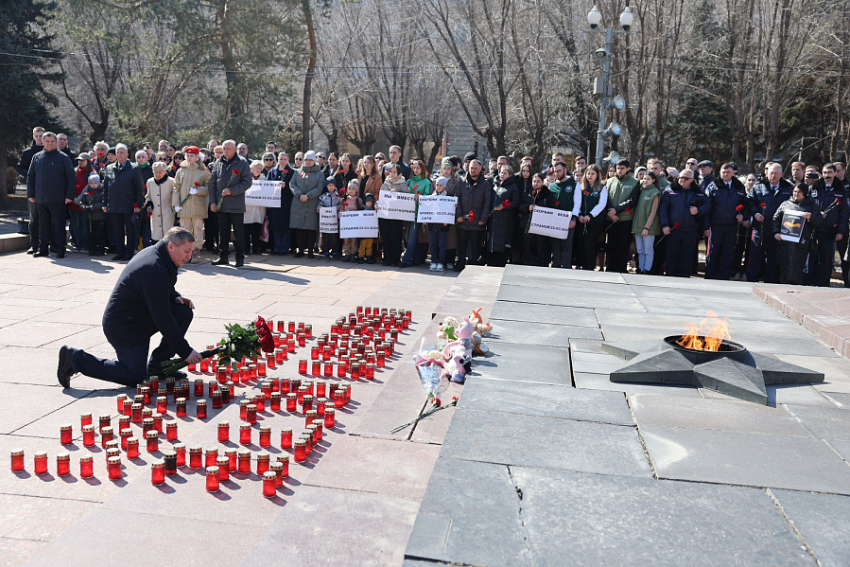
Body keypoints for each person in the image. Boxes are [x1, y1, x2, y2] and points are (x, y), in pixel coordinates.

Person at [57, 227, 203, 388]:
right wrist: (185, 351)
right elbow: (163, 318)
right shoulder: (154, 267)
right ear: (171, 247)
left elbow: (158, 287)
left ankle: (158, 366)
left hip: (138, 317)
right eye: (187, 251)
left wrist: (174, 296)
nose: (189, 257)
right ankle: (75, 359)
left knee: (183, 312)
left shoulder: (159, 255)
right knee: (134, 376)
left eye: (191, 251)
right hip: (125, 327)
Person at [26, 132, 76, 258]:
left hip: (58, 199)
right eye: (47, 141)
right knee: (43, 225)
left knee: (59, 226)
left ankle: (60, 249)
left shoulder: (63, 158)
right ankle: (43, 249)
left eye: (52, 141)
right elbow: (31, 177)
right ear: (43, 142)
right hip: (41, 198)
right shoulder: (37, 157)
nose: (50, 143)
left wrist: (69, 196)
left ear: (56, 142)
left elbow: (71, 178)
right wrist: (31, 194)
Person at [747, 162, 793, 283]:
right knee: (756, 255)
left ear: (781, 174)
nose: (773, 176)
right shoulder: (758, 187)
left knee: (773, 257)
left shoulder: (788, 188)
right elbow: (750, 202)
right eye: (771, 173)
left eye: (776, 174)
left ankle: (770, 281)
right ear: (767, 173)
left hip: (777, 230)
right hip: (760, 228)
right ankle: (752, 279)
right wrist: (756, 213)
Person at [209, 140, 253, 267]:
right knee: (223, 232)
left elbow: (247, 182)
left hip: (236, 204)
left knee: (239, 232)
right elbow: (212, 184)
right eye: (224, 148)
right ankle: (223, 257)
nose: (226, 151)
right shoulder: (218, 162)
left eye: (228, 148)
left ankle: (240, 258)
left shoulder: (242, 162)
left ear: (235, 150)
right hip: (221, 204)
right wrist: (213, 202)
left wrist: (232, 191)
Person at [703, 163, 748, 280]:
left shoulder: (739, 187)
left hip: (732, 226)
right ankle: (710, 275)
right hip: (716, 225)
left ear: (733, 173)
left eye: (728, 172)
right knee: (713, 251)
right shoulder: (713, 187)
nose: (725, 174)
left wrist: (742, 215)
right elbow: (707, 208)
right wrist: (706, 226)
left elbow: (745, 205)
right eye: (723, 172)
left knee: (728, 252)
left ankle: (724, 276)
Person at [659, 169, 707, 277]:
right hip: (673, 229)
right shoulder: (670, 190)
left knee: (687, 256)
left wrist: (698, 210)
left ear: (692, 180)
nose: (682, 180)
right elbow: (663, 209)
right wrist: (665, 225)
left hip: (690, 229)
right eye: (680, 177)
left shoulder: (699, 191)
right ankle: (670, 276)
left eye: (686, 178)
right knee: (671, 255)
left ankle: (684, 277)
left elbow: (707, 206)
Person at [809, 164, 850, 287]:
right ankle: (810, 282)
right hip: (814, 229)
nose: (827, 175)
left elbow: (844, 213)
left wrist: (840, 232)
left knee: (826, 260)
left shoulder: (841, 189)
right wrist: (817, 214)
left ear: (835, 173)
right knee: (812, 259)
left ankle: (824, 283)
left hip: (830, 231)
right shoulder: (814, 188)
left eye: (830, 173)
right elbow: (808, 206)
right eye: (825, 172)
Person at [102, 144, 145, 261]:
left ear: (127, 154)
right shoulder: (109, 168)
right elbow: (106, 187)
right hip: (114, 205)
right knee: (117, 231)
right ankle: (120, 252)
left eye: (122, 152)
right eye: (117, 152)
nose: (119, 154)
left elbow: (139, 188)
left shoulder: (134, 168)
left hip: (129, 205)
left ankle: (129, 253)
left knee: (130, 231)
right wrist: (104, 203)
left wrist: (138, 204)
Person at [772, 183, 819, 285]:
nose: (796, 194)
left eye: (799, 192)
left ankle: (798, 286)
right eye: (795, 191)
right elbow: (775, 219)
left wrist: (811, 217)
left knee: (798, 267)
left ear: (805, 193)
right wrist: (776, 232)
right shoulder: (786, 204)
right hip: (785, 242)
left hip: (802, 242)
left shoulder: (812, 204)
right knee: (785, 265)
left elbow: (820, 221)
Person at [172, 146, 210, 262]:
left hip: (198, 206)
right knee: (185, 230)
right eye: (187, 155)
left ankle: (195, 252)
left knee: (197, 229)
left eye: (192, 156)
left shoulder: (204, 171)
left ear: (197, 157)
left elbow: (209, 187)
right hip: (184, 206)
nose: (189, 158)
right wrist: (176, 203)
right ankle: (186, 252)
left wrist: (199, 190)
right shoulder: (181, 170)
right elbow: (176, 187)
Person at [455, 159, 492, 271]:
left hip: (477, 222)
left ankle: (473, 266)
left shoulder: (485, 184)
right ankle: (460, 263)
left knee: (475, 246)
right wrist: (459, 215)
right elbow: (457, 199)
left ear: (480, 169)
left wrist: (483, 218)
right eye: (471, 168)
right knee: (462, 245)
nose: (473, 170)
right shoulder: (461, 182)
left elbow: (487, 202)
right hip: (463, 221)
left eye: (475, 168)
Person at [605, 159, 640, 273]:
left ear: (627, 169)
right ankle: (611, 267)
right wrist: (611, 211)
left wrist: (617, 210)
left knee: (623, 245)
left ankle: (621, 268)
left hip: (625, 219)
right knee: (611, 245)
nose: (619, 170)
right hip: (611, 219)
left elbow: (632, 200)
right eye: (618, 168)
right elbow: (605, 198)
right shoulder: (610, 181)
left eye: (622, 168)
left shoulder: (634, 182)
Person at [289, 150, 324, 258]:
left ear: (314, 161)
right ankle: (300, 250)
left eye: (310, 160)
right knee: (299, 228)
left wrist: (309, 196)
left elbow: (320, 187)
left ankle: (310, 250)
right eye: (306, 160)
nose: (308, 162)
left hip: (312, 203)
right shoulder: (297, 172)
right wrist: (299, 195)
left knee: (311, 228)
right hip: (298, 203)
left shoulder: (319, 173)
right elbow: (292, 184)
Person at [574, 164, 608, 271]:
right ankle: (580, 264)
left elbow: (601, 204)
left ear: (597, 175)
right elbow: (577, 202)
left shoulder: (602, 188)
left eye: (593, 173)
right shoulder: (580, 186)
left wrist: (590, 215)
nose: (590, 176)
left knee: (590, 244)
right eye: (588, 173)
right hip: (581, 220)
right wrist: (579, 215)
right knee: (581, 244)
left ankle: (589, 267)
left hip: (595, 221)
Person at [400, 160, 432, 268]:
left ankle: (406, 260)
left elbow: (427, 196)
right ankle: (416, 259)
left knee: (412, 237)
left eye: (418, 168)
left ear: (422, 169)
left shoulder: (427, 182)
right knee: (410, 236)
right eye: (414, 168)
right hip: (408, 212)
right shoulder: (409, 181)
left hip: (418, 213)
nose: (416, 170)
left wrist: (421, 197)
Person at [549, 161, 581, 268]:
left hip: (568, 219)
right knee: (555, 244)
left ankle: (566, 265)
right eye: (555, 171)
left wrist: (574, 218)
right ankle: (556, 264)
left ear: (565, 171)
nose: (556, 174)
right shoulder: (552, 186)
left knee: (567, 244)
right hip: (554, 219)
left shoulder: (575, 184)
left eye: (559, 171)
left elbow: (577, 203)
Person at [18, 127, 45, 254]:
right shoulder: (28, 153)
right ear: (33, 136)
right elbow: (20, 168)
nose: (39, 138)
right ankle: (34, 245)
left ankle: (47, 244)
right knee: (34, 219)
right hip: (33, 190)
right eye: (37, 136)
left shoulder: (50, 151)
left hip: (49, 191)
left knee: (48, 219)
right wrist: (30, 174)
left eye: (41, 135)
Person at [487, 164, 520, 267]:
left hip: (505, 220)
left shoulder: (513, 186)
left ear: (510, 175)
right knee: (492, 242)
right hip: (493, 219)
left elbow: (515, 201)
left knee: (502, 244)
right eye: (501, 172)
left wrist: (504, 206)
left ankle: (500, 263)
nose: (502, 175)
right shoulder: (495, 184)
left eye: (505, 173)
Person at [377, 163, 409, 266]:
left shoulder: (402, 183)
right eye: (391, 172)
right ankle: (386, 258)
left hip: (397, 216)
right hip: (386, 215)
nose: (392, 174)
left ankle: (395, 259)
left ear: (398, 173)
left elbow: (407, 198)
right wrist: (377, 204)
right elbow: (381, 197)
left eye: (395, 172)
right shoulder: (385, 183)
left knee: (396, 237)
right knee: (386, 237)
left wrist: (397, 193)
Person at [632, 171, 662, 274]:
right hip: (638, 225)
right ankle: (640, 268)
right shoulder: (641, 190)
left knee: (648, 250)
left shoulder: (655, 192)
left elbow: (653, 212)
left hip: (648, 227)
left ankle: (647, 268)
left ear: (653, 180)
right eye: (644, 179)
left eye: (648, 179)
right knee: (640, 250)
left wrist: (647, 227)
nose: (645, 181)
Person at [266, 151, 294, 255]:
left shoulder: (292, 172)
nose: (282, 161)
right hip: (274, 204)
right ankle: (277, 247)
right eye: (281, 159)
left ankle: (284, 247)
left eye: (284, 159)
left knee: (285, 226)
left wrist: (285, 186)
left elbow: (294, 188)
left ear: (288, 160)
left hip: (286, 203)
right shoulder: (272, 171)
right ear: (277, 159)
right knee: (275, 225)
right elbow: (267, 185)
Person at [145, 162, 175, 243]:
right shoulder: (150, 182)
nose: (158, 174)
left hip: (168, 212)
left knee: (168, 236)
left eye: (160, 172)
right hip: (155, 213)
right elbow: (148, 196)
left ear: (165, 172)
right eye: (156, 172)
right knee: (156, 235)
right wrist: (149, 204)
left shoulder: (171, 181)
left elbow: (175, 196)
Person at [78, 173, 107, 256]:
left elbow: (103, 203)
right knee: (91, 234)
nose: (93, 185)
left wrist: (93, 207)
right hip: (90, 217)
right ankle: (92, 249)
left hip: (100, 217)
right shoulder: (87, 192)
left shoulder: (102, 192)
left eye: (95, 183)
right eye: (91, 183)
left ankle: (101, 249)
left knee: (100, 234)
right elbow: (81, 202)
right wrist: (84, 207)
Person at [70, 152, 94, 252]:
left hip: (84, 203)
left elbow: (88, 187)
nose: (80, 162)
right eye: (79, 160)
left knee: (85, 225)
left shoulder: (92, 173)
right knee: (75, 224)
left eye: (82, 160)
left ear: (88, 161)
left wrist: (78, 199)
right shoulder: (75, 171)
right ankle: (77, 243)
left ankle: (85, 245)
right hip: (73, 204)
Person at [427, 176, 452, 272]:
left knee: (442, 245)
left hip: (443, 227)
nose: (438, 187)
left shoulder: (449, 197)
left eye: (441, 185)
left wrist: (448, 221)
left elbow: (450, 210)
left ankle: (440, 262)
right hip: (433, 226)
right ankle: (433, 261)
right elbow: (427, 208)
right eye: (437, 185)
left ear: (444, 186)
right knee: (433, 244)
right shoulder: (431, 197)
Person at [244, 160, 267, 255]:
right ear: (252, 168)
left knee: (257, 230)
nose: (258, 170)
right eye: (257, 168)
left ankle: (256, 248)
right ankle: (246, 249)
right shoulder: (246, 178)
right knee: (246, 230)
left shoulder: (263, 179)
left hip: (259, 208)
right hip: (248, 208)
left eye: (260, 168)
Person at [318, 175, 341, 259]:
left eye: (332, 185)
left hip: (334, 221)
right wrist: (319, 208)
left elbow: (341, 205)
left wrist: (339, 208)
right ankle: (326, 251)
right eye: (329, 185)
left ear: (335, 186)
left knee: (335, 237)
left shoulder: (338, 196)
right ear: (326, 186)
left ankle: (335, 251)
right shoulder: (323, 196)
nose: (331, 187)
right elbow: (319, 206)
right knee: (326, 237)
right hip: (326, 222)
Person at [340, 179, 363, 262]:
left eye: (353, 189)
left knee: (354, 240)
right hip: (346, 224)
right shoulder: (345, 199)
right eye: (350, 189)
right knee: (347, 240)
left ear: (356, 190)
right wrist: (341, 213)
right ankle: (347, 253)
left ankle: (353, 253)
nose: (351, 191)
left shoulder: (358, 200)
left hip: (355, 225)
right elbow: (342, 209)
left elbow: (361, 211)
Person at [358, 194, 377, 264]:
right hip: (363, 231)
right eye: (368, 201)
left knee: (369, 245)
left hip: (371, 231)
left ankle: (369, 256)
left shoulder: (374, 210)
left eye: (371, 201)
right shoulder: (361, 209)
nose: (369, 203)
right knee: (362, 245)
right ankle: (361, 256)